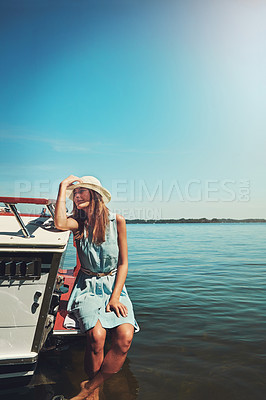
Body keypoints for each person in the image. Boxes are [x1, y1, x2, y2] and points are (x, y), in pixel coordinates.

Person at [54, 175, 139, 400]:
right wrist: (62, 187)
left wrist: (115, 297)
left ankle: (89, 387)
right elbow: (59, 223)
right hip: (87, 285)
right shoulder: (78, 222)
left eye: (83, 191)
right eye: (76, 192)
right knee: (97, 337)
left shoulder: (117, 221)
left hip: (114, 284)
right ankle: (95, 392)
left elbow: (123, 262)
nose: (78, 195)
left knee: (125, 338)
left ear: (95, 195)